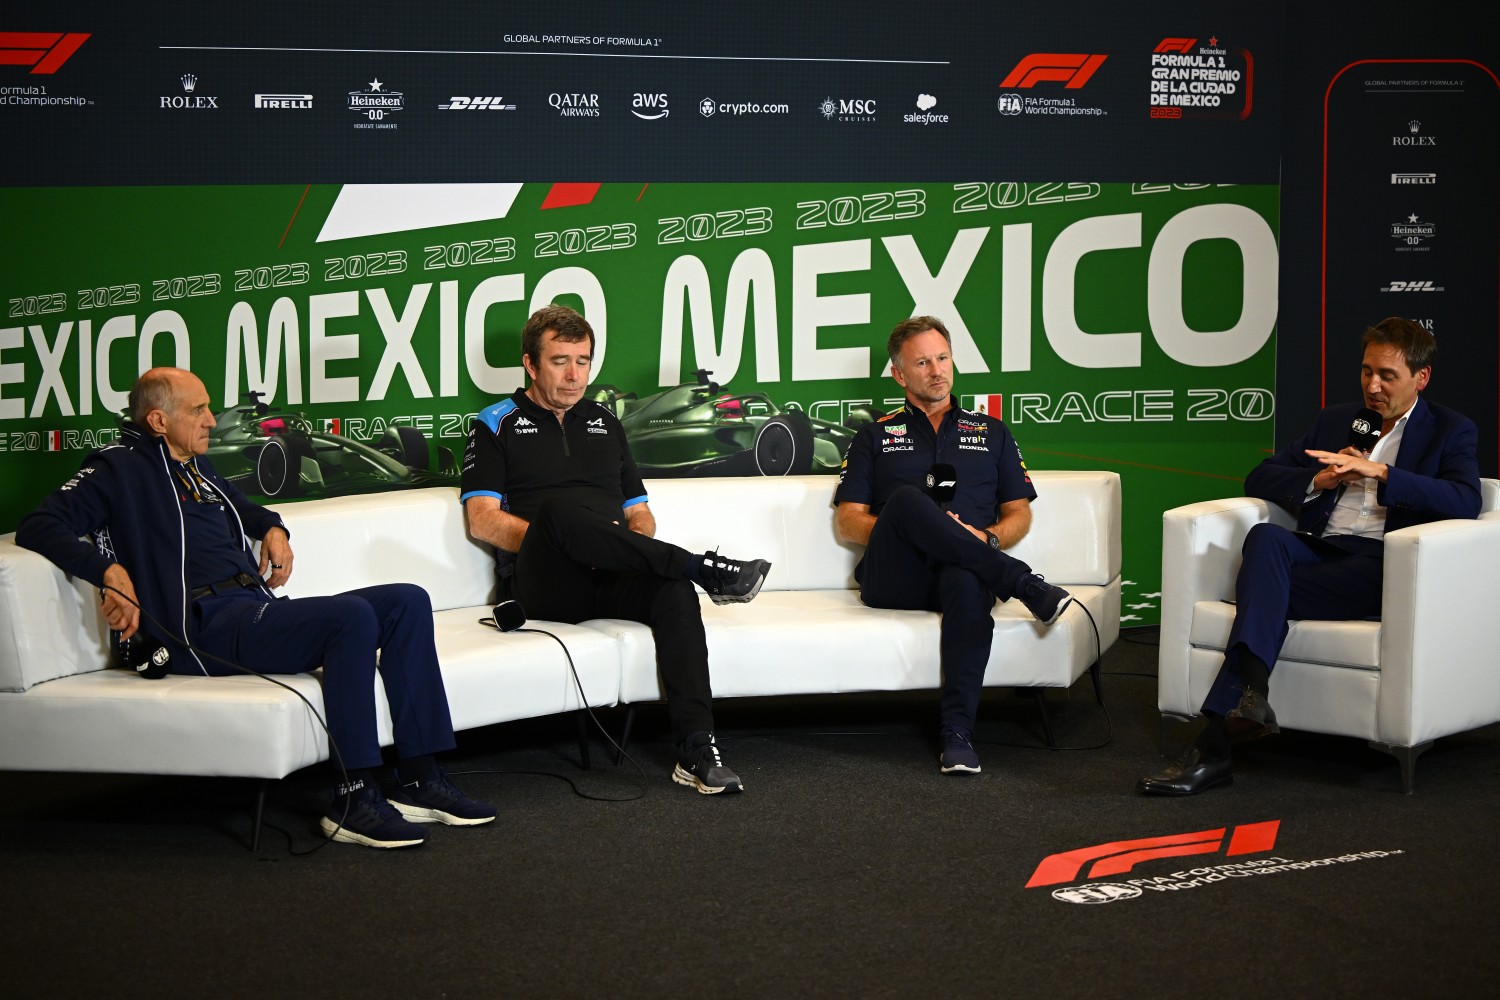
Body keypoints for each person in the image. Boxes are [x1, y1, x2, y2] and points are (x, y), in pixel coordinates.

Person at [15, 367, 495, 849]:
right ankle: (354, 797)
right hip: (198, 629)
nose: (210, 419)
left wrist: (274, 529)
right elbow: (40, 525)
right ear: (158, 420)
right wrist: (108, 573)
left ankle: (419, 777)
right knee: (350, 618)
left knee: (406, 601)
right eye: (198, 409)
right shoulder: (118, 468)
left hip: (249, 609)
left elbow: (250, 510)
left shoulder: (197, 468)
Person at [1137, 316, 1482, 795]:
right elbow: (1260, 477)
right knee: (1265, 538)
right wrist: (1319, 481)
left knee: (1261, 595)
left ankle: (1214, 743)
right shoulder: (1337, 418)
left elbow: (1466, 500)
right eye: (1366, 372)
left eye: (1387, 376)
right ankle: (1251, 700)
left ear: (1421, 378)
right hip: (1324, 550)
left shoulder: (1450, 430)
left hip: (1384, 565)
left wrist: (1381, 472)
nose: (1373, 386)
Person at [460, 304, 770, 794]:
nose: (574, 374)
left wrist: (626, 549)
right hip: (544, 580)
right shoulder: (494, 423)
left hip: (610, 574)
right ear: (530, 363)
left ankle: (697, 747)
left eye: (582, 361)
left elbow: (639, 512)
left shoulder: (606, 422)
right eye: (560, 361)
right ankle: (702, 567)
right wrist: (563, 543)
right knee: (560, 512)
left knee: (673, 592)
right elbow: (483, 520)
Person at [833, 316, 1075, 775]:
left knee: (966, 579)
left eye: (942, 358)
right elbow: (848, 522)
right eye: (922, 362)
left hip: (966, 570)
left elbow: (1019, 513)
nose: (936, 370)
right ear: (899, 375)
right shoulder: (874, 436)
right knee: (907, 501)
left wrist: (985, 539)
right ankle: (1022, 584)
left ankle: (958, 734)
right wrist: (906, 526)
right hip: (896, 576)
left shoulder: (994, 433)